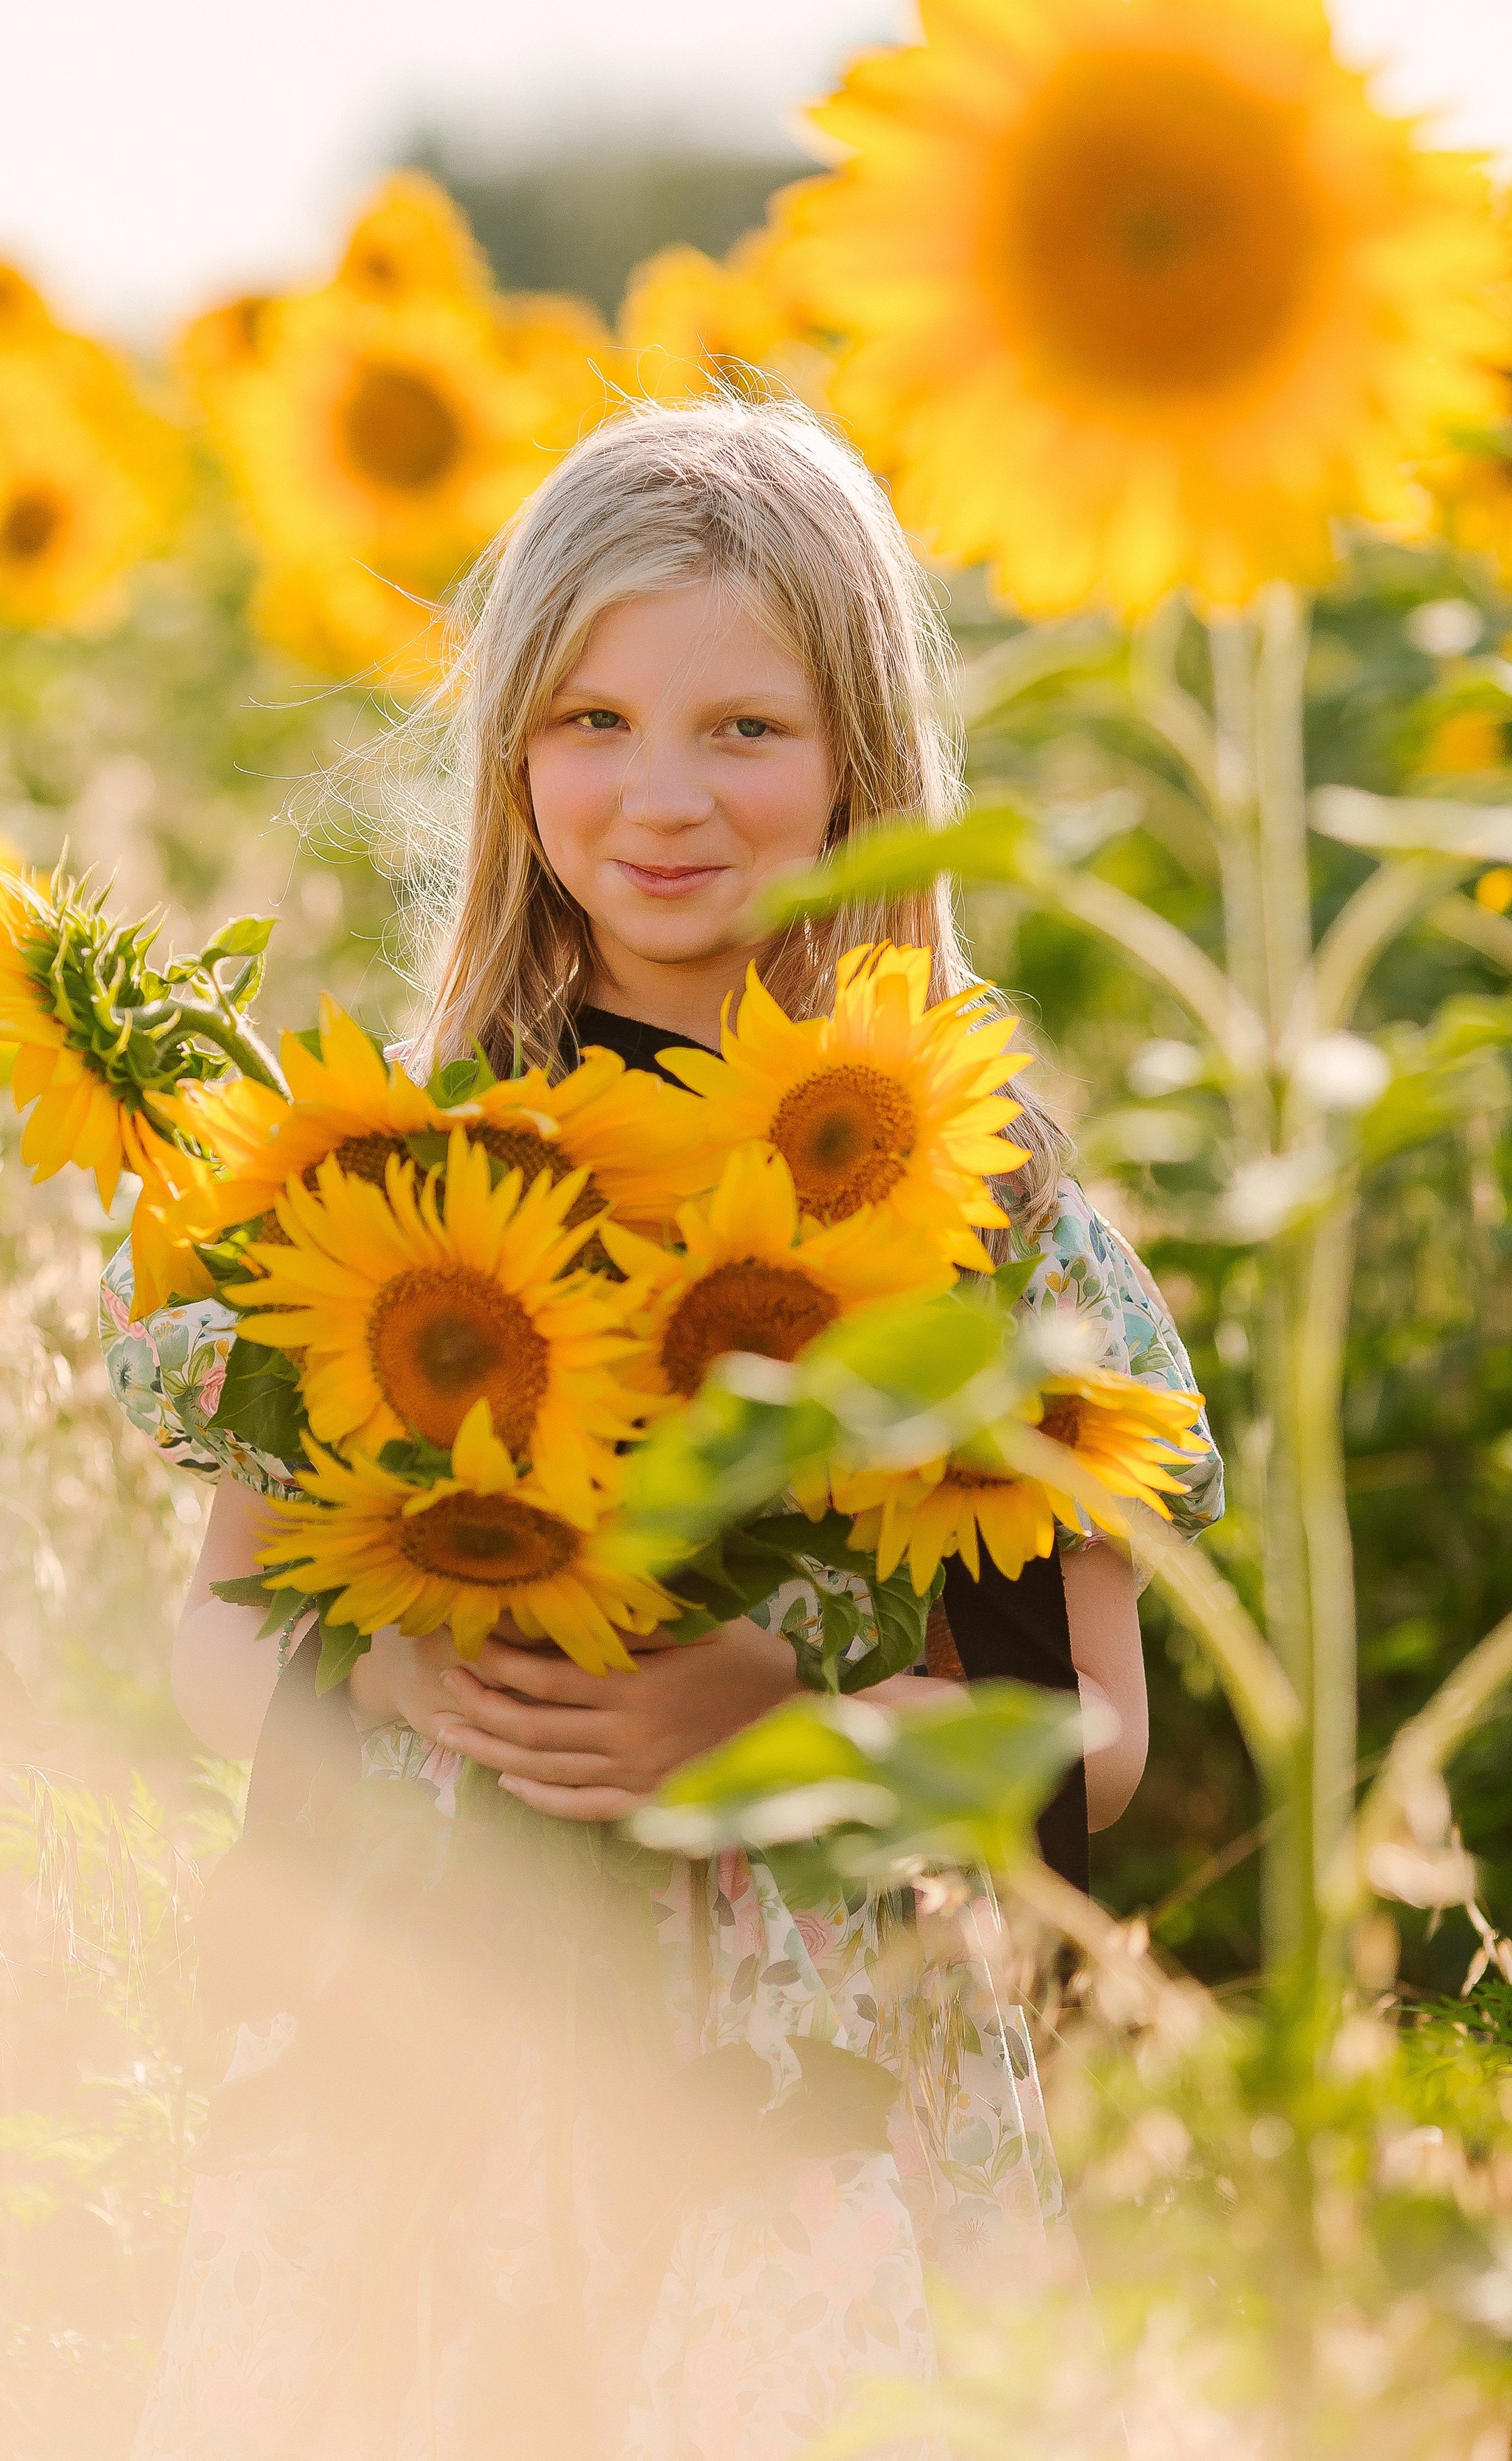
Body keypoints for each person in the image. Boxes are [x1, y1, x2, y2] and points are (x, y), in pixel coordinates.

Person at [102, 396, 1222, 2461]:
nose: (658, 797)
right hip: (430, 2043)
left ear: (864, 766)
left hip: (817, 2105)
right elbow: (216, 1625)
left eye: (745, 730)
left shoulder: (980, 1209)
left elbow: (1094, 1719)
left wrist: (773, 1722)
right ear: (512, 754)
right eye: (590, 721)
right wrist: (393, 1681)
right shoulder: (392, 1195)